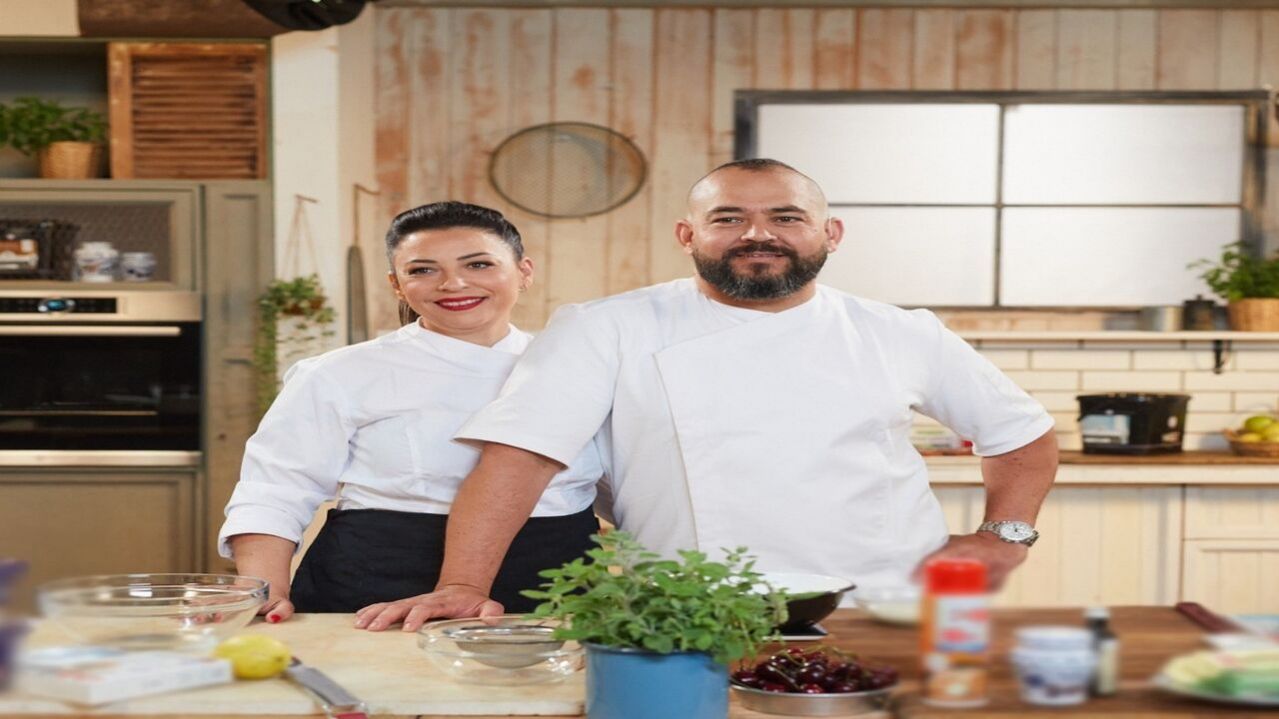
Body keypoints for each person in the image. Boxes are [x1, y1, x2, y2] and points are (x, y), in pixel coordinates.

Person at [354, 159, 1059, 633]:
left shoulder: (900, 331)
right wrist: (462, 584)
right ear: (687, 235)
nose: (758, 234)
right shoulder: (605, 326)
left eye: (786, 217)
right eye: (727, 219)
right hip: (688, 611)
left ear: (830, 234)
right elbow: (519, 459)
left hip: (883, 602)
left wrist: (1005, 536)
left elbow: (1022, 435)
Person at [218, 201, 603, 621]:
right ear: (397, 285)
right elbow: (276, 489)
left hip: (557, 580)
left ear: (524, 271)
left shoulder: (582, 368)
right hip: (375, 583)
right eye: (423, 270)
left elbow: (631, 483)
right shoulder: (336, 373)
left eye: (478, 264)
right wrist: (265, 590)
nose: (453, 284)